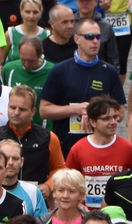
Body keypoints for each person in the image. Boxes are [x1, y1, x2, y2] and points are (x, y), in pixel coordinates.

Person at [40, 17, 127, 149]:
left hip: (100, 145)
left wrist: (94, 114)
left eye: (98, 37)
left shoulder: (109, 71)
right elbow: (44, 110)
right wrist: (75, 109)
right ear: (77, 39)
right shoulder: (60, 70)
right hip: (67, 144)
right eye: (89, 37)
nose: (95, 41)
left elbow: (120, 113)